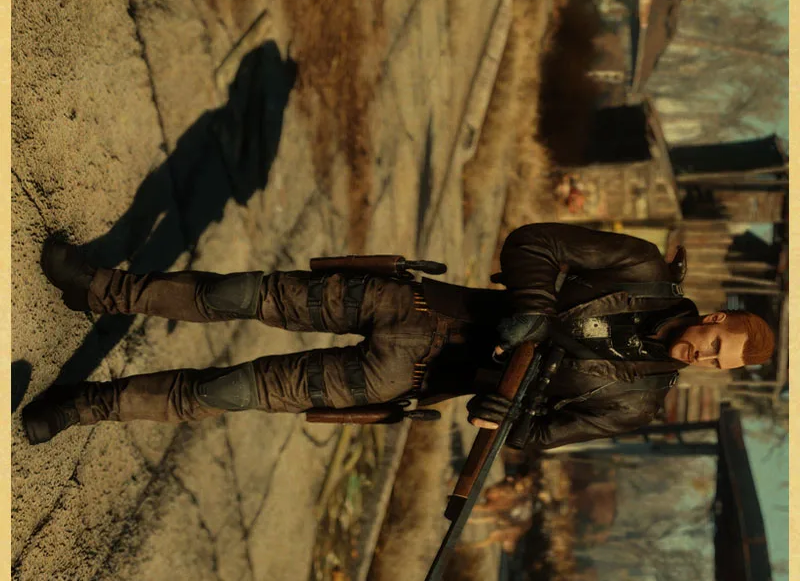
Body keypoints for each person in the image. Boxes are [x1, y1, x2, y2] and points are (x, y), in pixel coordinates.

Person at [22, 224, 775, 450]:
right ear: (715, 318)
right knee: (236, 294)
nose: (700, 356)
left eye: (714, 365)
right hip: (411, 304)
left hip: (403, 379)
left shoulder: (636, 403)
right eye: (714, 343)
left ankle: (83, 404)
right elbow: (534, 242)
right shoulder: (641, 269)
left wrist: (505, 410)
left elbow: (533, 437)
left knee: (228, 390)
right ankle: (99, 289)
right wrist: (534, 306)